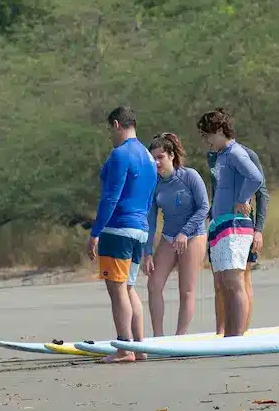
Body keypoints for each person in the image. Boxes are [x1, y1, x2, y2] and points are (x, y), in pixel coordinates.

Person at [86, 106, 158, 363]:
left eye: (110, 129)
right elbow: (150, 200)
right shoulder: (150, 158)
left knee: (117, 291)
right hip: (139, 230)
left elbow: (110, 197)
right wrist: (147, 237)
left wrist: (95, 233)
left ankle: (124, 348)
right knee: (129, 288)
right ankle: (139, 347)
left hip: (117, 229)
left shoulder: (120, 154)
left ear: (117, 125)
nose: (109, 135)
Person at [196, 108, 263, 337]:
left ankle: (237, 336)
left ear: (219, 131)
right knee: (225, 283)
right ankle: (229, 335)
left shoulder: (235, 152)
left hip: (235, 225)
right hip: (221, 225)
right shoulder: (222, 156)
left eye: (208, 136)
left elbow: (255, 177)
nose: (207, 142)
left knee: (235, 283)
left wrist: (242, 198)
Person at [141, 132, 210, 337]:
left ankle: (180, 337)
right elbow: (150, 221)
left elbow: (204, 208)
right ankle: (159, 337)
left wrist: (185, 232)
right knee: (154, 284)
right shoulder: (154, 185)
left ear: (171, 155)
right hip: (169, 236)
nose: (156, 162)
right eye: (153, 158)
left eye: (160, 157)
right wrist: (147, 253)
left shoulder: (189, 176)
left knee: (185, 289)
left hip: (193, 235)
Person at [207, 139, 269, 336]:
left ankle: (242, 331)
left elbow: (262, 192)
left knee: (242, 278)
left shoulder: (244, 154)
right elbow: (217, 190)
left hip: (240, 225)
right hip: (219, 224)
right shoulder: (213, 156)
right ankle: (222, 331)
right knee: (220, 282)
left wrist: (258, 229)